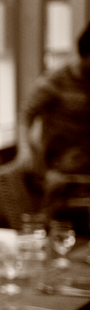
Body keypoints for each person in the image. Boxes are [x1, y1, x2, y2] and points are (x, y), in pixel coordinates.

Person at [17, 22, 90, 232]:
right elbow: (26, 115)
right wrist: (25, 148)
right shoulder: (55, 81)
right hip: (59, 168)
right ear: (85, 54)